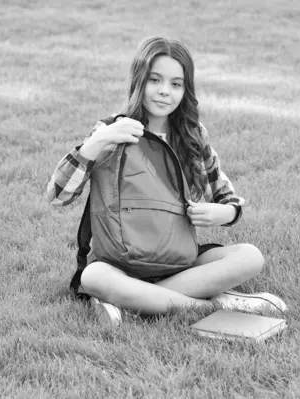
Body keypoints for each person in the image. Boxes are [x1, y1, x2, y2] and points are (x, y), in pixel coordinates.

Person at [46, 36, 287, 326]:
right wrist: (97, 142)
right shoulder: (112, 130)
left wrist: (223, 212)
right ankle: (209, 305)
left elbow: (228, 199)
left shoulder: (192, 137)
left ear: (186, 90)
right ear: (139, 80)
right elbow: (58, 195)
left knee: (250, 256)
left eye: (176, 84)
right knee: (93, 276)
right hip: (119, 264)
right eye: (155, 80)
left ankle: (133, 302)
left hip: (177, 262)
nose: (164, 92)